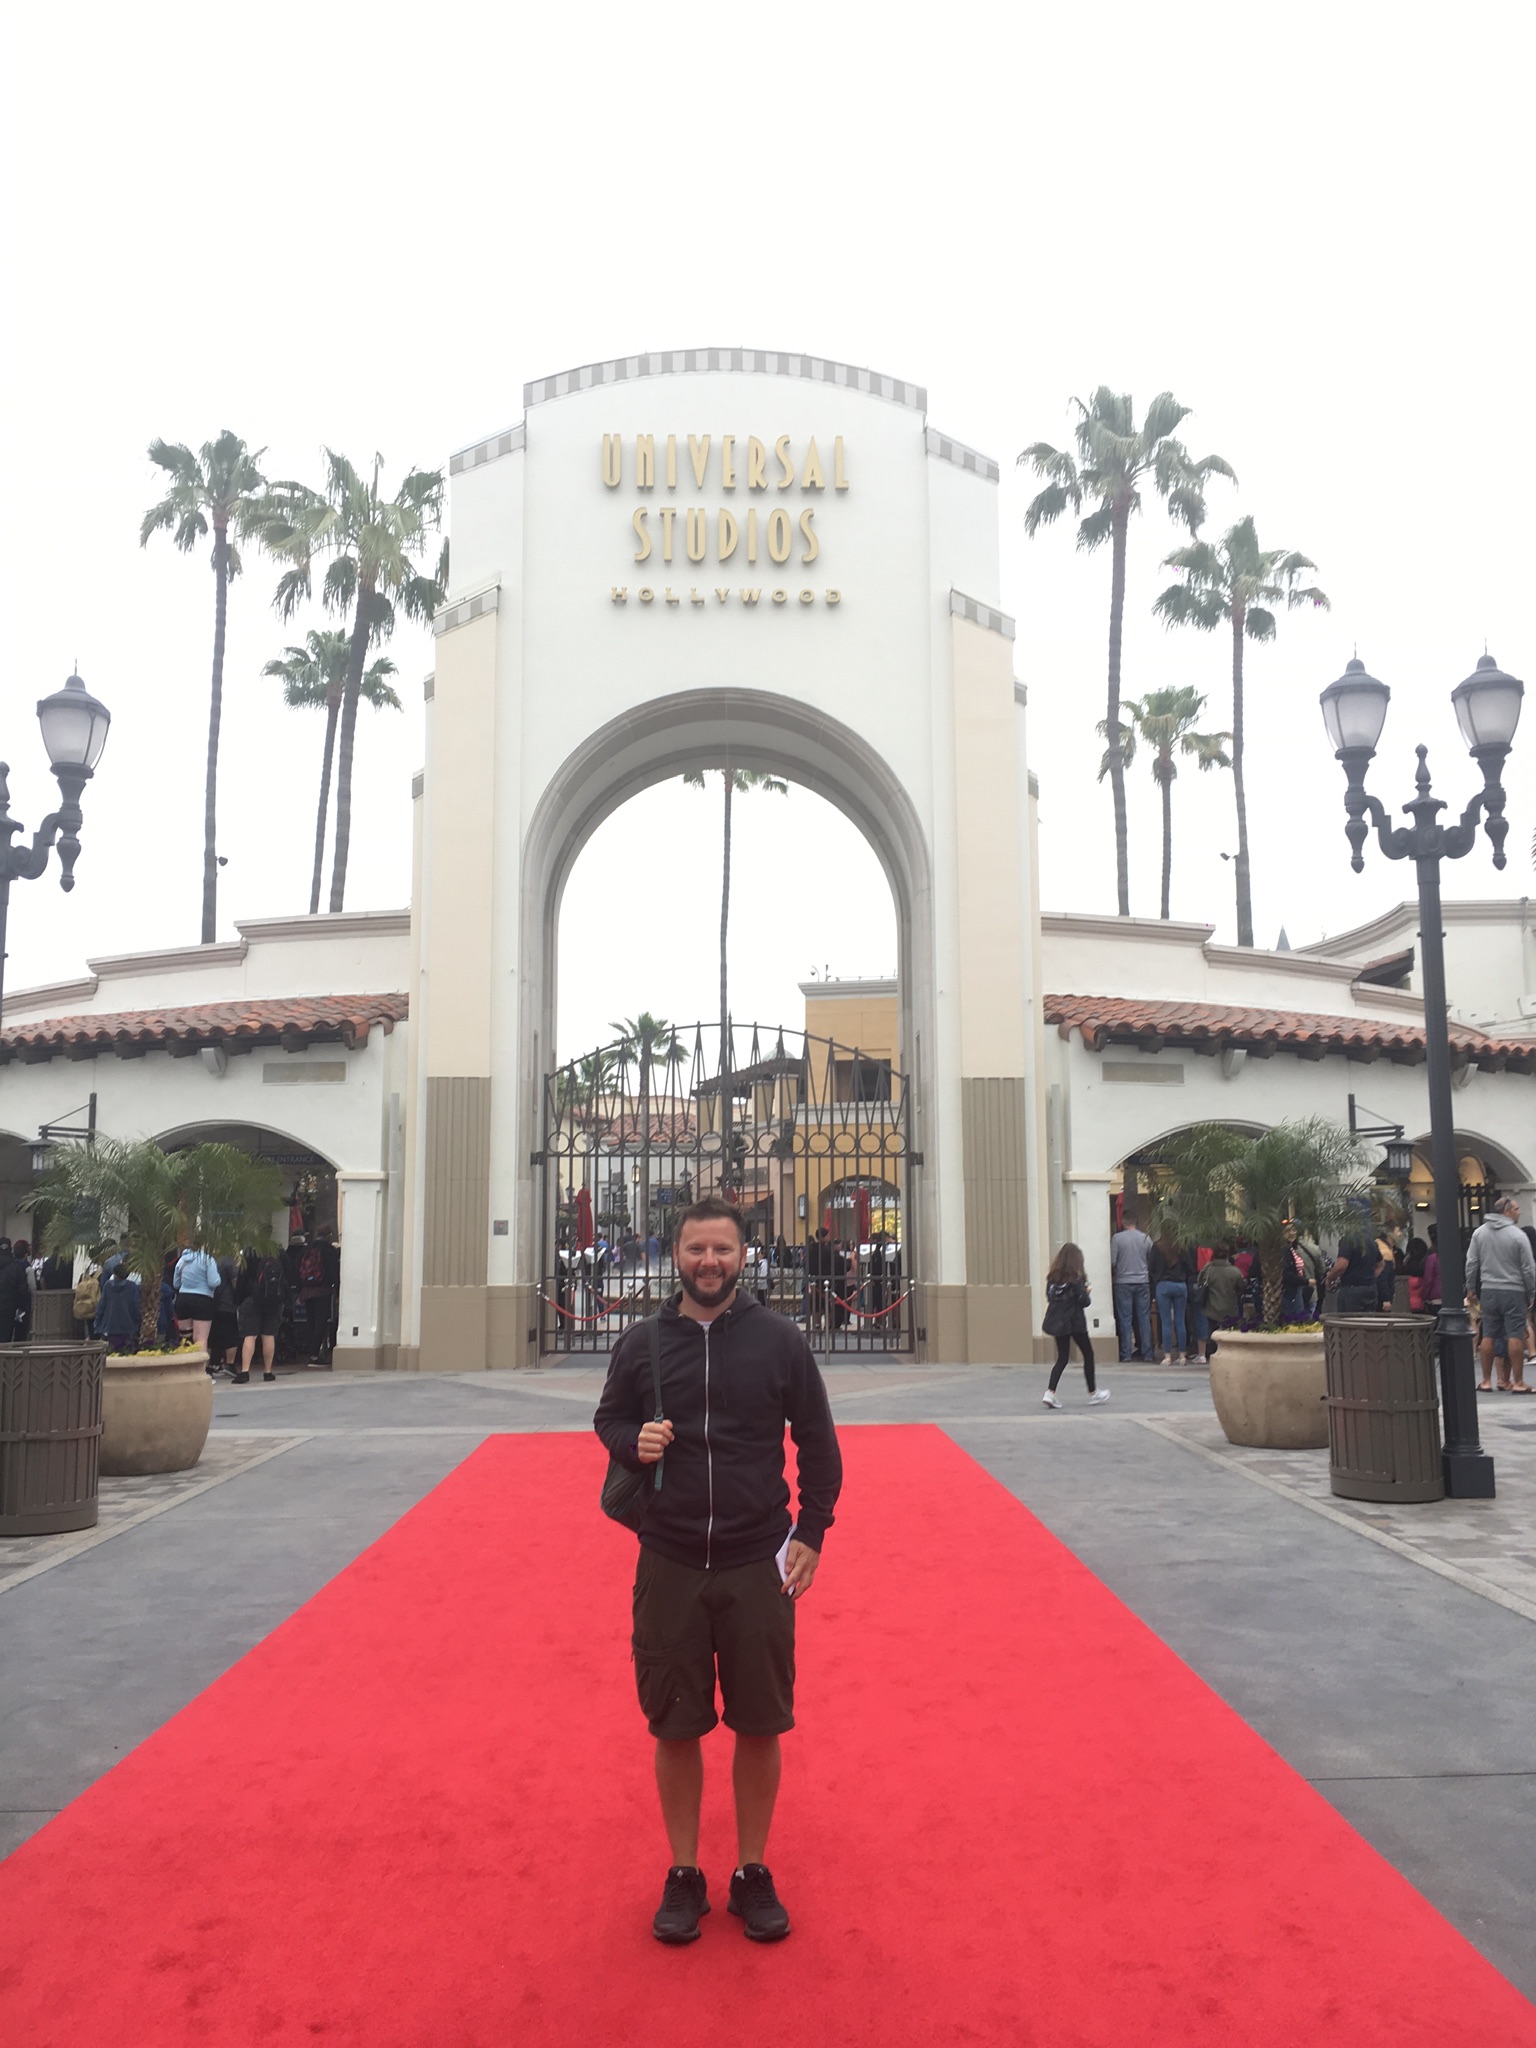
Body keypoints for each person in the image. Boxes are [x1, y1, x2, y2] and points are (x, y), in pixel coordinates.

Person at [593, 1195, 843, 1948]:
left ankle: (752, 1870)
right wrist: (633, 1440)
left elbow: (818, 1439)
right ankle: (684, 1872)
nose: (709, 1262)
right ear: (676, 1254)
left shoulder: (779, 1340)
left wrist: (812, 1531)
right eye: (697, 1249)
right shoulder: (642, 1342)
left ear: (743, 1256)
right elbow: (608, 1418)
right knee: (675, 1722)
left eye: (723, 1250)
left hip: (754, 1559)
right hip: (669, 1559)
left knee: (760, 1721)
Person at [1465, 1195, 1536, 1394]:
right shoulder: (1518, 1235)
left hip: (1488, 1290)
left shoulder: (1479, 1233)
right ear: (1506, 1211)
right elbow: (1528, 1268)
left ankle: (1486, 1381)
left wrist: (1470, 1287)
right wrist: (1531, 1292)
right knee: (1515, 1334)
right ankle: (1518, 1381)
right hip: (1514, 1290)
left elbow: (1471, 1262)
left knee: (1488, 1334)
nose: (1519, 1212)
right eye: (1516, 1209)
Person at [1040, 1242, 1108, 1407]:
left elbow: (1050, 1297)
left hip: (1058, 1322)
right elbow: (1084, 1302)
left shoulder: (1052, 1279)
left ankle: (1050, 1392)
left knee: (1062, 1357)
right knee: (1088, 1354)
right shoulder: (1076, 1279)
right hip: (1075, 1321)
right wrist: (1086, 1292)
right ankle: (1093, 1392)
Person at [233, 1249, 287, 1383]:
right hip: (273, 1302)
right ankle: (268, 1372)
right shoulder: (279, 1253)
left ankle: (245, 1371)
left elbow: (242, 1279)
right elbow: (288, 1277)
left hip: (252, 1299)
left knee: (250, 1336)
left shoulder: (251, 1253)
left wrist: (238, 1300)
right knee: (269, 1335)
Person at [1109, 1209, 1154, 1362]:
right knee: (1144, 1318)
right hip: (1143, 1281)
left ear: (1123, 1222)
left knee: (1125, 1319)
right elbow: (1151, 1259)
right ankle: (1148, 1353)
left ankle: (1126, 1353)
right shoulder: (1146, 1238)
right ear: (1136, 1221)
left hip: (1123, 1281)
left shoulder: (1117, 1239)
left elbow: (1113, 1261)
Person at [1148, 1229, 1194, 1364]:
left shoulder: (1157, 1247)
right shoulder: (1182, 1246)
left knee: (1166, 1322)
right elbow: (1190, 1267)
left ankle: (1167, 1356)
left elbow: (1151, 1268)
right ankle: (1182, 1355)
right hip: (1180, 1285)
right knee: (1180, 1321)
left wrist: (1156, 1280)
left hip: (1163, 1285)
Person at [1193, 1243, 1245, 1347]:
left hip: (1212, 1309)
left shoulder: (1208, 1270)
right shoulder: (1235, 1271)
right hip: (1230, 1308)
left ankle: (1212, 1351)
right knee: (1230, 1335)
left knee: (1212, 1334)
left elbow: (1200, 1281)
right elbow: (1242, 1287)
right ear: (1227, 1255)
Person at [172, 1243, 220, 1353]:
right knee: (200, 1338)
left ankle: (185, 1362)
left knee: (185, 1338)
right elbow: (213, 1282)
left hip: (183, 1299)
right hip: (203, 1300)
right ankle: (199, 1364)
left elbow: (176, 1284)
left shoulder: (182, 1260)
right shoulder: (207, 1259)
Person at [1328, 1224, 1383, 1316]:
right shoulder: (1371, 1242)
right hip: (1370, 1289)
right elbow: (1381, 1265)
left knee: (1349, 1321)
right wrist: (1370, 1277)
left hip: (1352, 1290)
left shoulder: (1348, 1240)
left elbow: (1341, 1265)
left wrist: (1329, 1278)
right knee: (1368, 1321)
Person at [0, 1239, 31, 1344]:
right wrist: (21, 1309)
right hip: (8, 1308)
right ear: (10, 1249)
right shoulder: (17, 1267)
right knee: (5, 1339)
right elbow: (22, 1291)